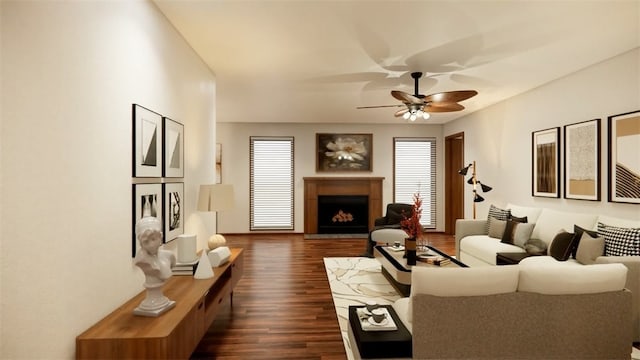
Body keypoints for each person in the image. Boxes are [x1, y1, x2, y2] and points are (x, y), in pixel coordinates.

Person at [133, 216, 176, 315]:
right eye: (146, 242)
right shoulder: (141, 260)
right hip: (152, 303)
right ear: (140, 243)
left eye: (153, 239)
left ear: (160, 237)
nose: (151, 244)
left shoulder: (168, 256)